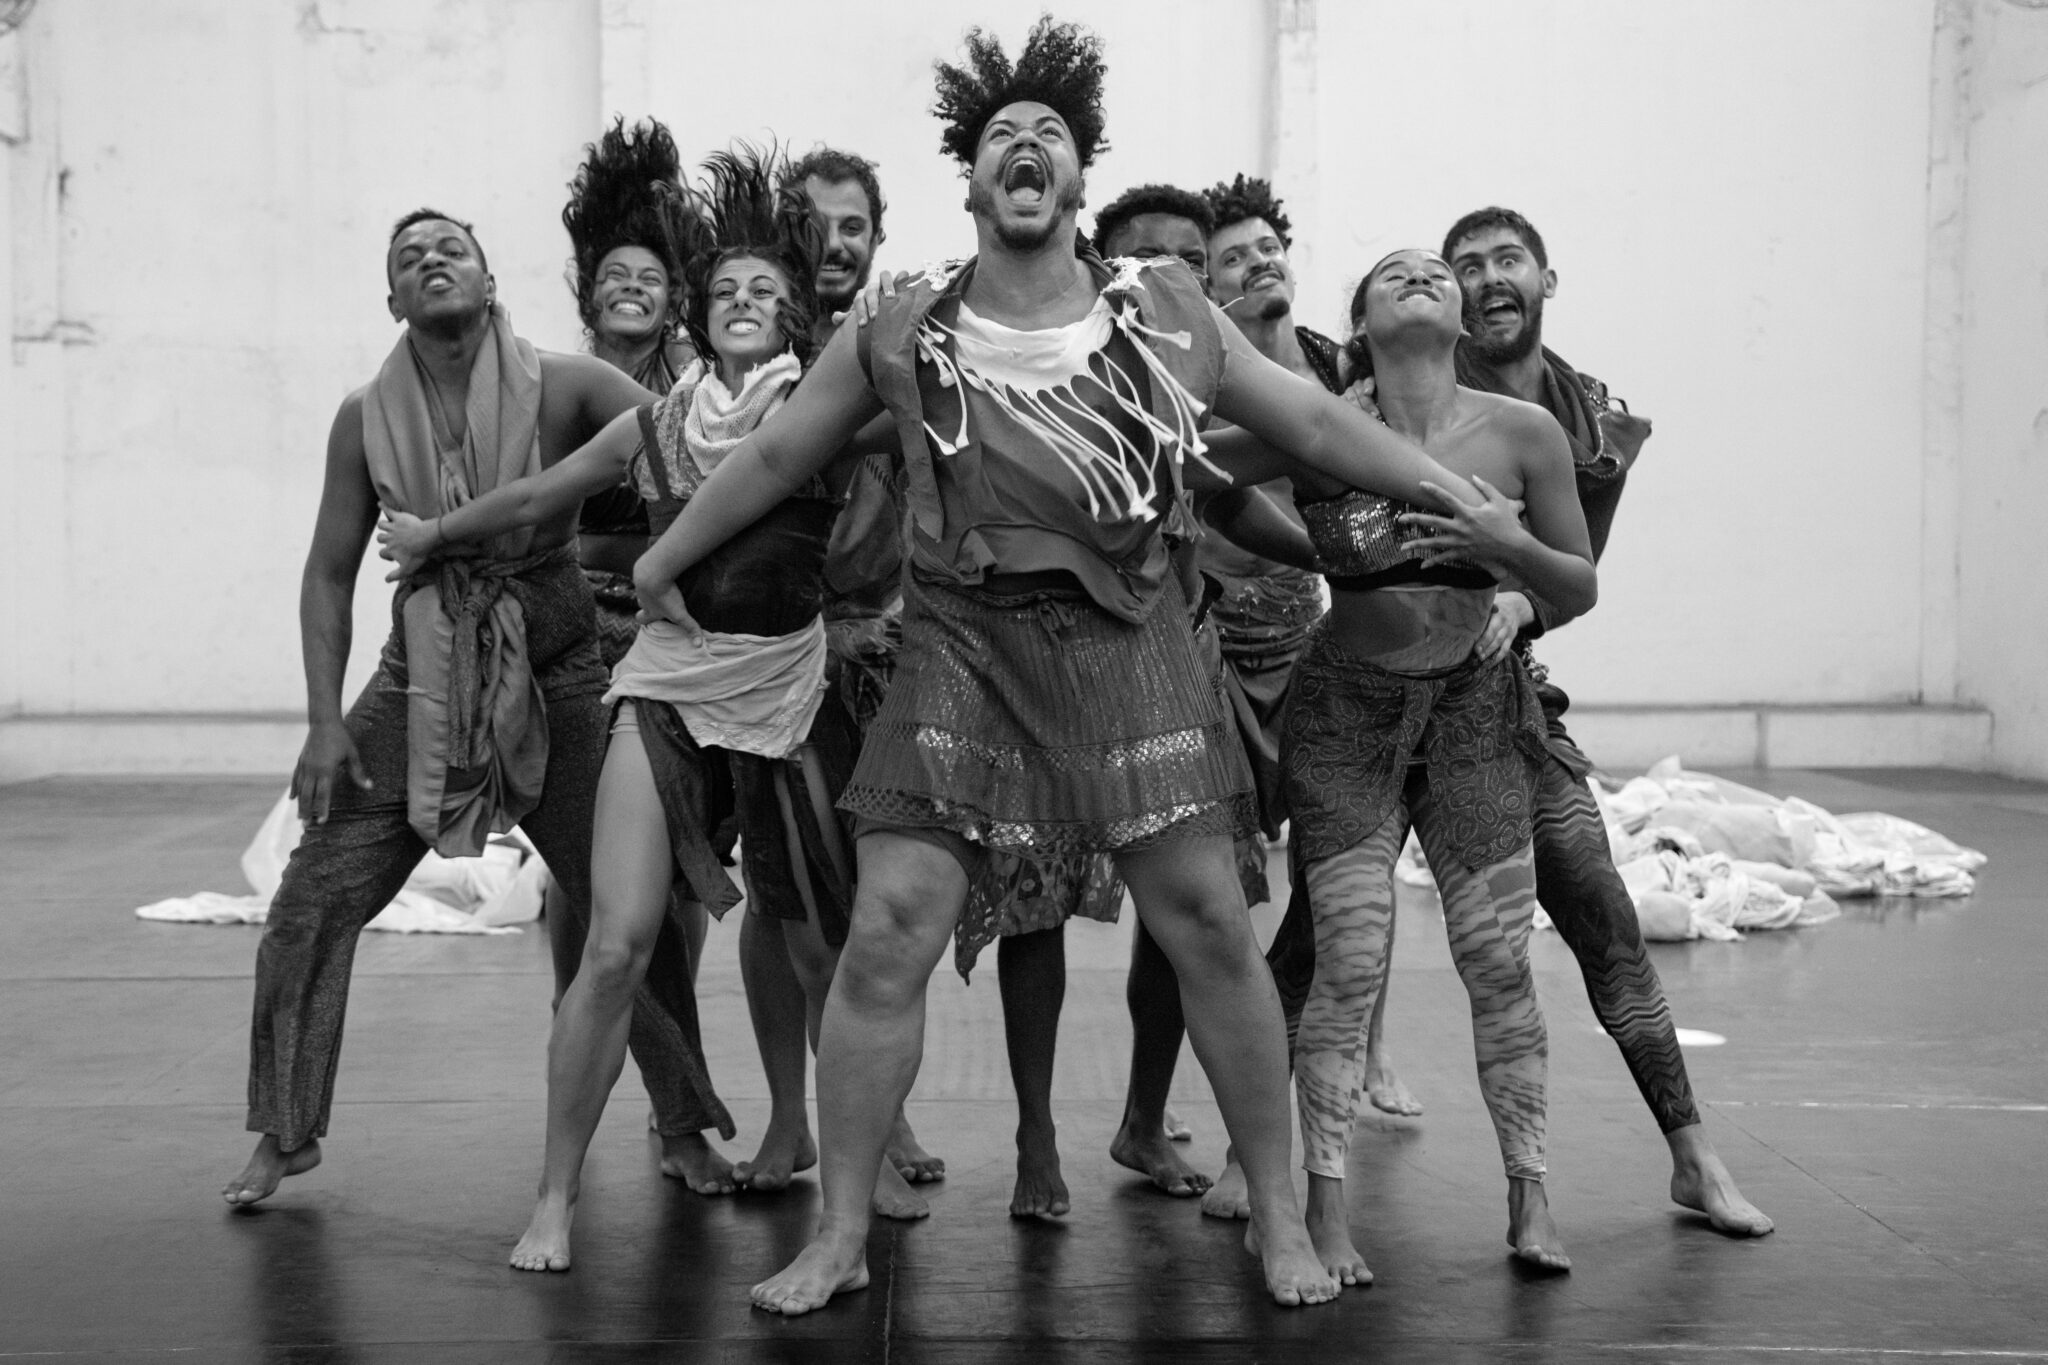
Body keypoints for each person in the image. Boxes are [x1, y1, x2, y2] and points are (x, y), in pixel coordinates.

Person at [631, 18, 1494, 1314]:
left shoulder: (1165, 312)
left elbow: (1315, 422)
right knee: (887, 931)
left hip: (1128, 649)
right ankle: (841, 1230)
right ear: (972, 184)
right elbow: (774, 456)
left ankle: (1275, 1212)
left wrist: (1448, 492)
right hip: (960, 654)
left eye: (1049, 134)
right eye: (1000, 136)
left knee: (1209, 924)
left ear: (1079, 179)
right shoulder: (903, 327)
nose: (1024, 145)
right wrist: (664, 559)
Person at [380, 147, 938, 1270]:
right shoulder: (657, 418)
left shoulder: (827, 412)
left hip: (786, 691)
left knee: (821, 946)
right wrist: (435, 534)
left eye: (764, 290)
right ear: (700, 310)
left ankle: (860, 1152)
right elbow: (539, 494)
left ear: (793, 316)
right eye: (724, 288)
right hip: (666, 688)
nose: (742, 302)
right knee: (616, 945)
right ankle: (554, 1196)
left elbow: (933, 410)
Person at [220, 209, 673, 1207]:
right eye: (409, 258)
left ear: (489, 279)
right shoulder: (361, 416)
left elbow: (691, 442)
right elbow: (329, 572)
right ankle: (285, 1130)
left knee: (627, 910)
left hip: (560, 667)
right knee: (309, 901)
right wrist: (323, 722)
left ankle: (683, 1124)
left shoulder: (568, 385)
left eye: (450, 249)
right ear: (392, 300)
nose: (431, 260)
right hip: (419, 672)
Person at [1441, 204, 1772, 1237]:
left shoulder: (1591, 423)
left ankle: (1693, 1158)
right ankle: (1258, 1165)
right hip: (1379, 690)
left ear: (1546, 280)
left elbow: (1574, 573)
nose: (1489, 278)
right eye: (1467, 265)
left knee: (1600, 910)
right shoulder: (1407, 382)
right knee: (1319, 933)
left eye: (1508, 260)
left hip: (1499, 692)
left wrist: (1518, 601)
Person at [1284, 247, 1596, 1281]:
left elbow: (1577, 586)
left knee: (1497, 957)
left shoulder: (1523, 433)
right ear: (1360, 323)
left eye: (1434, 269)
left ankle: (1529, 1190)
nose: (1419, 274)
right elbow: (1213, 484)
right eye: (1393, 272)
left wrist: (1509, 548)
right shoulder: (1319, 425)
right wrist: (1298, 546)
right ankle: (1323, 1202)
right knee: (1350, 958)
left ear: (1461, 317)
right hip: (1347, 713)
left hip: (1471, 710)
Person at [724, 143, 948, 1195]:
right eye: (815, 224)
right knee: (786, 905)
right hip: (780, 661)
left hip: (886, 656)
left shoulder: (902, 334)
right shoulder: (761, 343)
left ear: (876, 236)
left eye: (853, 224)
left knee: (880, 906)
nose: (835, 242)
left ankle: (872, 1110)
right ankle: (796, 1118)